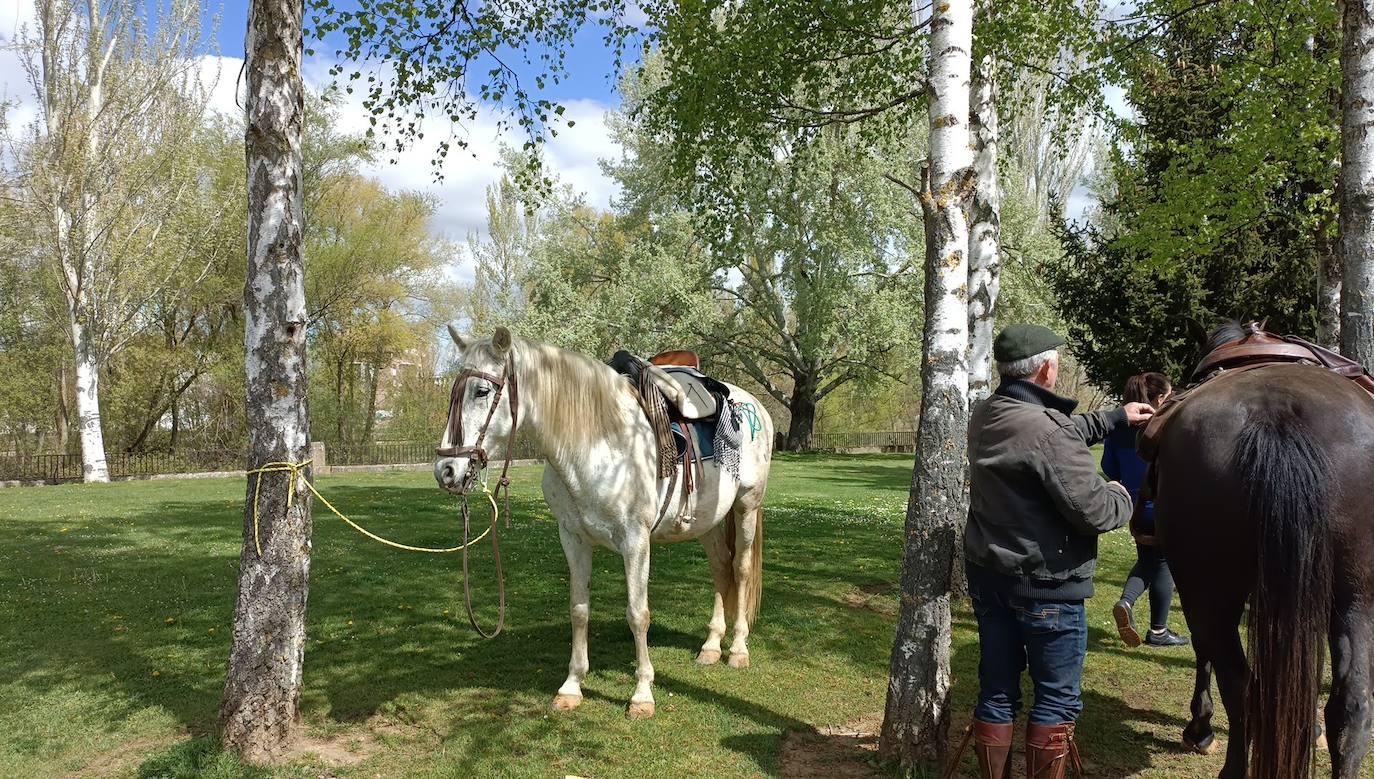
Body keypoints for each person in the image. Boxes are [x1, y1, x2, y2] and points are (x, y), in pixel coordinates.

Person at [963, 324, 1154, 779]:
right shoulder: (1047, 432)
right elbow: (1095, 512)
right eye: (1058, 361)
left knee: (996, 692)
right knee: (1055, 699)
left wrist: (1115, 417)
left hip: (990, 580)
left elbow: (1052, 433)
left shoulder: (987, 412)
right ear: (1047, 368)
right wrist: (1122, 491)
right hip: (1047, 587)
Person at [1107, 373, 1189, 648]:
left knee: (1148, 562)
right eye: (1169, 395)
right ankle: (1158, 630)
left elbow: (1109, 467)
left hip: (1134, 506)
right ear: (1157, 399)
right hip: (1161, 505)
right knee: (1163, 563)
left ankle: (1126, 602)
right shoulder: (1165, 428)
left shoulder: (1119, 428)